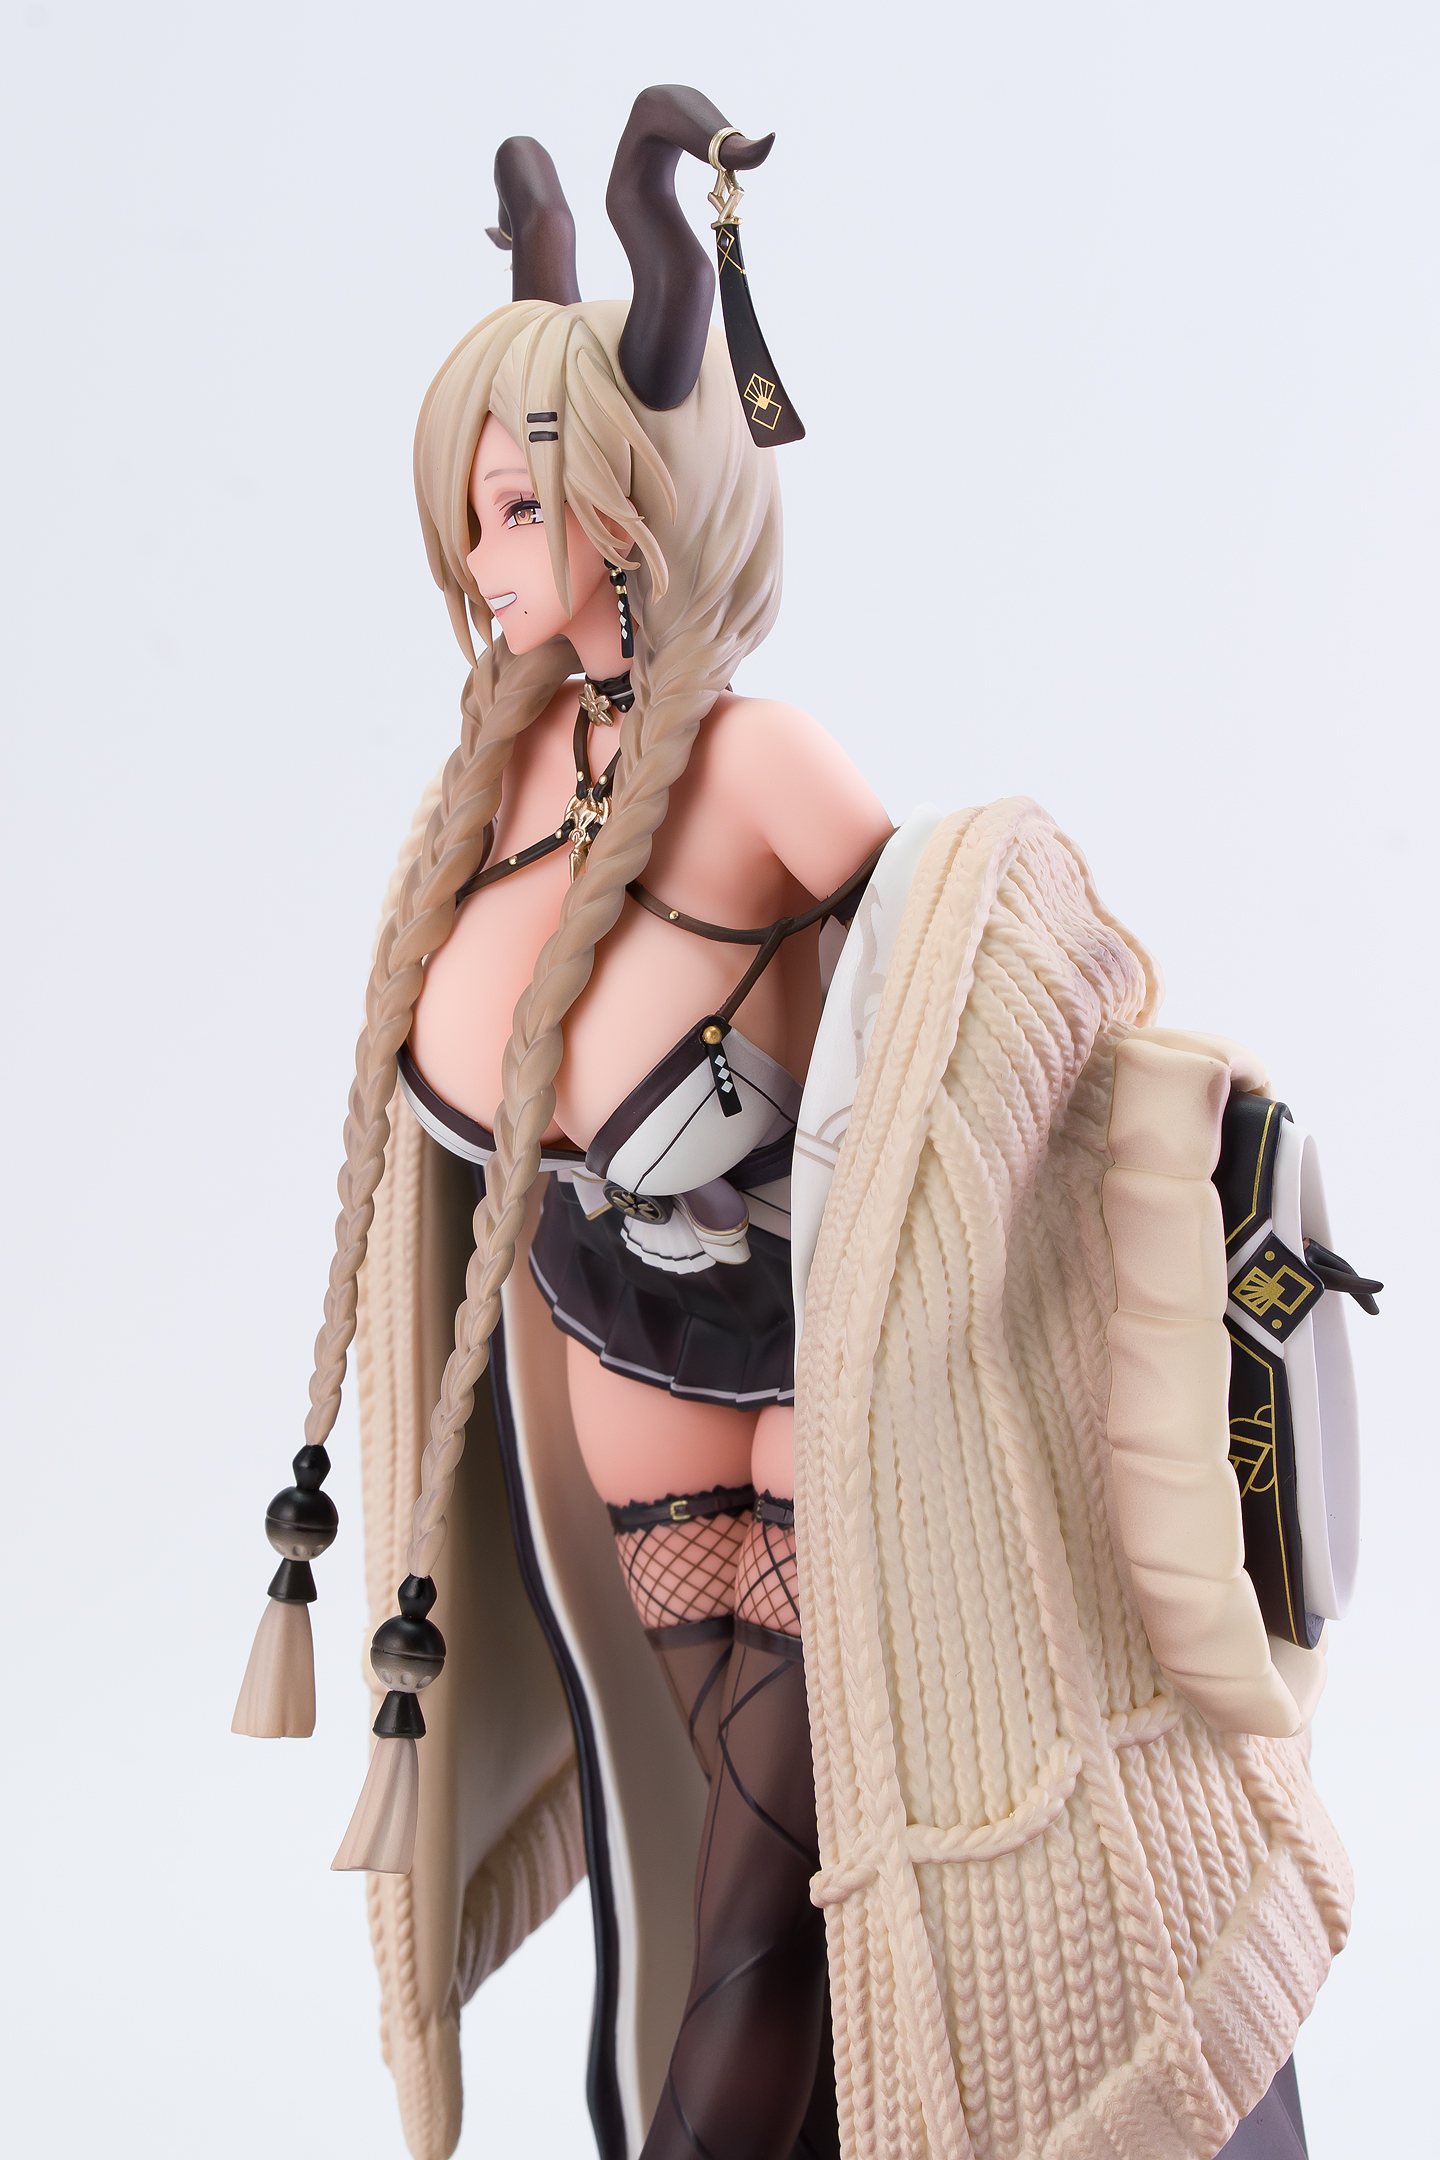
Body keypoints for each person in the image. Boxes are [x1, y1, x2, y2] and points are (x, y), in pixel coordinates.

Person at [235, 87, 1356, 2160]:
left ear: (635, 504)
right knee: (756, 1898)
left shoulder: (757, 767)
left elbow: (966, 989)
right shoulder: (487, 795)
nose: (477, 556)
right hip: (639, 1427)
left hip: (849, 1426)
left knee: (775, 1925)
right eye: (469, 510)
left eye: (512, 507)